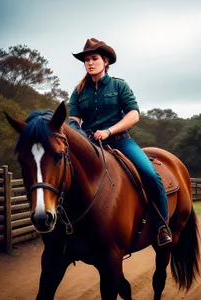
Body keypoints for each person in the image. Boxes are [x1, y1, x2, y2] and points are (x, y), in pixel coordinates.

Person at [68, 38, 172, 246]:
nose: (89, 63)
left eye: (94, 58)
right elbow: (72, 120)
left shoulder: (119, 85)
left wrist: (108, 130)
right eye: (86, 60)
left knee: (151, 175)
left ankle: (162, 225)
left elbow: (134, 115)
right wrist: (80, 135)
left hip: (120, 142)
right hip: (91, 146)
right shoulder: (79, 91)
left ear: (105, 61)